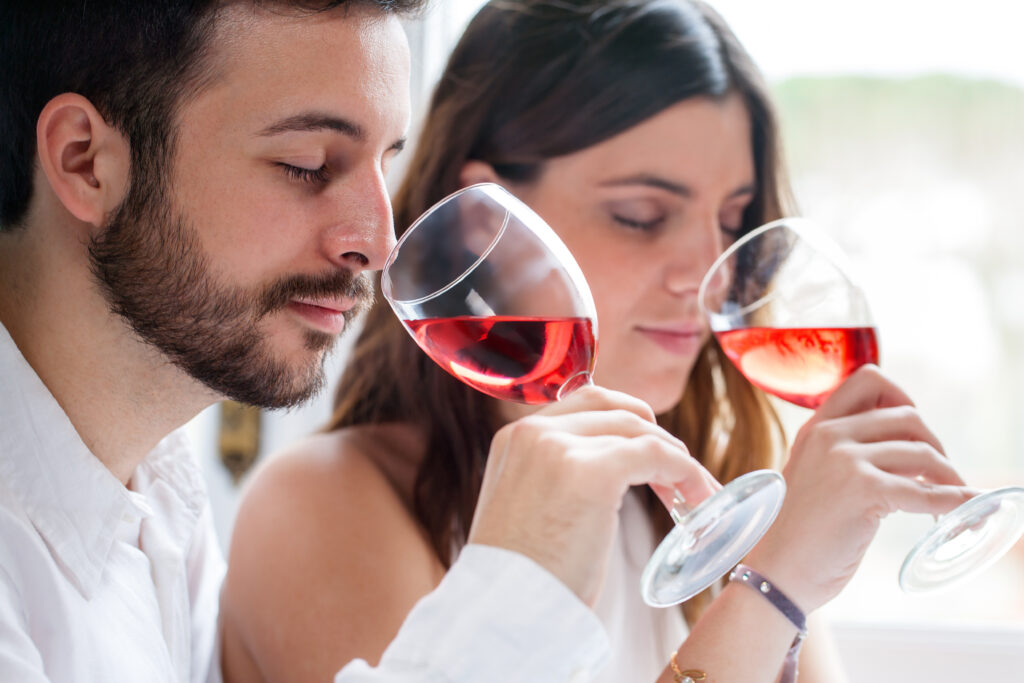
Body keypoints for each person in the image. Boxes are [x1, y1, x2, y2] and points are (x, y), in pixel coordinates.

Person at [220, 1, 981, 682]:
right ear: (488, 222)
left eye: (732, 219)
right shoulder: (323, 506)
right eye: (643, 215)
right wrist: (773, 590)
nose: (704, 274)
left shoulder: (704, 492)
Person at [0, 2, 722, 682]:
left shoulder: (155, 497)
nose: (379, 245)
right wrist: (515, 588)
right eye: (308, 165)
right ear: (85, 160)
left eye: (386, 165)